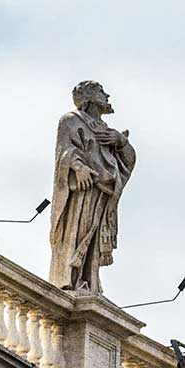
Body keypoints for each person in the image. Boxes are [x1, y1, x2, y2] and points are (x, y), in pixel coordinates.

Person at [49, 81, 136, 294]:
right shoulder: (71, 120)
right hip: (82, 188)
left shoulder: (107, 131)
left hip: (103, 192)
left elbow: (128, 162)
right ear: (88, 97)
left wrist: (121, 142)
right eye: (100, 91)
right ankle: (69, 279)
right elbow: (64, 150)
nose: (107, 95)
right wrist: (79, 168)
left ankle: (90, 281)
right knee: (76, 231)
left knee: (94, 237)